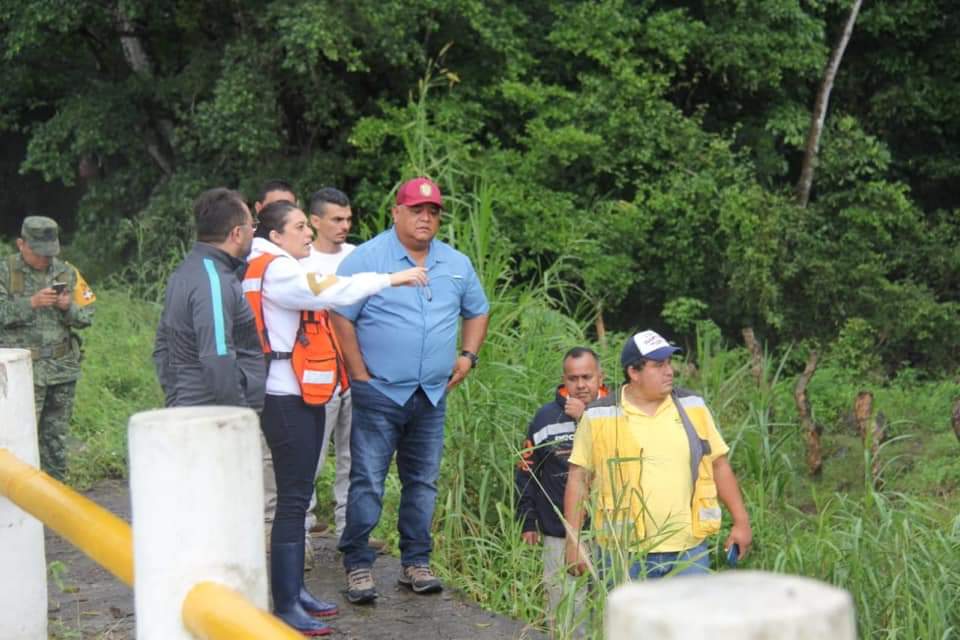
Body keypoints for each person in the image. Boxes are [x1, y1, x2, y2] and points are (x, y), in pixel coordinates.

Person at [246, 200, 427, 635]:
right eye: (299, 227)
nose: (309, 234)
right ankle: (286, 603)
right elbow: (330, 288)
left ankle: (297, 592)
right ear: (275, 235)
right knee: (292, 502)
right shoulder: (278, 270)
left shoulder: (274, 263)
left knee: (299, 492)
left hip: (299, 392)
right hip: (285, 397)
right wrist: (390, 278)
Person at [332, 177, 490, 604]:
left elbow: (477, 310)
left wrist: (468, 356)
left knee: (422, 482)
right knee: (368, 481)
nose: (426, 217)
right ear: (396, 212)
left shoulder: (455, 263)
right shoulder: (367, 258)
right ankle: (358, 566)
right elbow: (340, 315)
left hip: (431, 395)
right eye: (417, 209)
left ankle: (415, 562)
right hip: (379, 392)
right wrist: (358, 374)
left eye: (434, 211)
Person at [564, 330, 752, 582]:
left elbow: (719, 465)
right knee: (628, 624)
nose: (669, 371)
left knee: (689, 623)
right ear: (634, 372)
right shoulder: (599, 416)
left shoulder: (692, 406)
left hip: (689, 551)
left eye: (669, 363)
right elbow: (578, 479)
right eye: (659, 365)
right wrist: (573, 540)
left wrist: (741, 521)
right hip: (624, 553)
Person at [515, 347, 607, 637]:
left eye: (587, 377)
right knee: (566, 616)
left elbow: (618, 461)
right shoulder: (546, 417)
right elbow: (527, 469)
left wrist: (586, 418)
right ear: (564, 381)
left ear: (600, 377)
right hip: (558, 533)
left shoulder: (616, 412)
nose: (581, 385)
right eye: (573, 378)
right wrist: (528, 518)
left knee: (609, 614)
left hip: (611, 534)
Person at [0, 216, 96, 481]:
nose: (45, 260)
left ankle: (56, 501)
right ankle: (19, 504)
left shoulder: (67, 272)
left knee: (55, 441)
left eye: (49, 253)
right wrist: (29, 303)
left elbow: (87, 316)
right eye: (39, 253)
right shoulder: (5, 272)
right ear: (22, 244)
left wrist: (68, 308)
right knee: (18, 437)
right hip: (20, 374)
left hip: (61, 370)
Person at [153, 188, 264, 411]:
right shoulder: (213, 281)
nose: (254, 232)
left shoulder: (185, 271)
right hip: (214, 419)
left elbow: (162, 348)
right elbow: (218, 356)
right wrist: (238, 417)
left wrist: (177, 400)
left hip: (192, 410)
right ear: (237, 234)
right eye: (252, 226)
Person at [299, 187, 356, 540]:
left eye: (348, 219)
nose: (344, 226)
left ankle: (349, 530)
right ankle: (301, 530)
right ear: (315, 221)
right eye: (337, 219)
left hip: (357, 369)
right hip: (318, 372)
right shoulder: (299, 262)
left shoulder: (359, 256)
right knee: (311, 455)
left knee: (354, 457)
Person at [251, 179, 298, 550]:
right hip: (260, 378)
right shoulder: (259, 262)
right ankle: (269, 532)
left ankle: (285, 538)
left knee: (284, 466)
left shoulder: (297, 258)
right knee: (265, 459)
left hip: (289, 378)